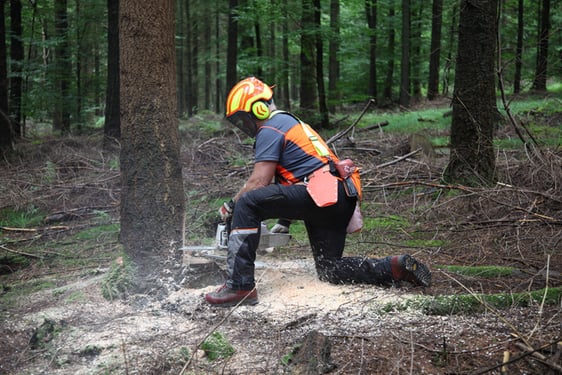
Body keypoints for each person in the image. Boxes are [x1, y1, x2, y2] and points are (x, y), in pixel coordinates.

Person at [205, 77, 431, 307]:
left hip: (321, 193)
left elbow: (258, 182)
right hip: (339, 196)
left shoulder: (271, 127)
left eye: (244, 118)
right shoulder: (292, 124)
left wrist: (232, 205)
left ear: (258, 108)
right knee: (330, 269)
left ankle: (239, 286)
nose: (245, 125)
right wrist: (285, 220)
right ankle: (393, 267)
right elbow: (298, 175)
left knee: (248, 202)